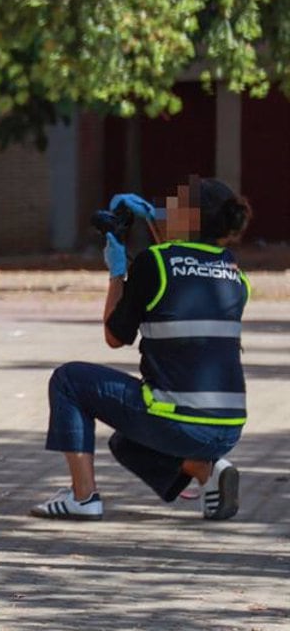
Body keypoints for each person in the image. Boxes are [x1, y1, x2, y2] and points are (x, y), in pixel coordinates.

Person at [34, 176, 252, 522]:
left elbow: (114, 336)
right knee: (125, 443)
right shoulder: (234, 273)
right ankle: (206, 470)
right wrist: (148, 224)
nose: (164, 212)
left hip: (180, 422)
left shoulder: (154, 263)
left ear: (190, 219)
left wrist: (117, 271)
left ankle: (83, 497)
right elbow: (183, 267)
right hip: (227, 427)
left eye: (172, 208)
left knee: (69, 380)